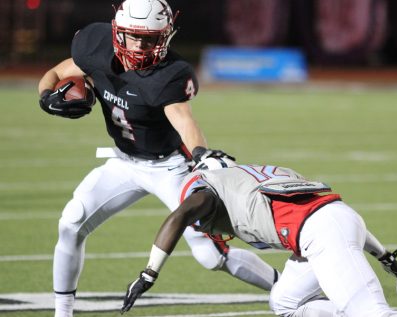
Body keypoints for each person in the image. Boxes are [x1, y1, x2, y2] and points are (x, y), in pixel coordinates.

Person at [37, 1, 279, 316]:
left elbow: (184, 121)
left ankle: (285, 286)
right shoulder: (95, 46)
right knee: (70, 223)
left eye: (150, 38)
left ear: (165, 37)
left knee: (211, 256)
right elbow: (56, 72)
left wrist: (202, 155)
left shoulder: (169, 74)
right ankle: (63, 311)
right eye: (133, 36)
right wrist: (45, 97)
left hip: (171, 168)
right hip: (124, 162)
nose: (140, 45)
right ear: (117, 32)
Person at [120, 157, 397, 317]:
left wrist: (149, 274)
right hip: (332, 225)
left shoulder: (206, 191)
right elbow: (334, 215)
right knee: (285, 301)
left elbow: (179, 216)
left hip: (320, 235)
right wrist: (382, 254)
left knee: (371, 313)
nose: (206, 229)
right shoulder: (258, 176)